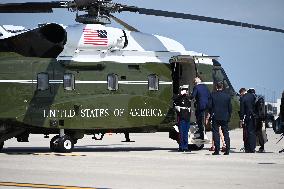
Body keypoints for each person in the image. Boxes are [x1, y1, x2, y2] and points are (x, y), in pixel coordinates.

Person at [209, 81, 232, 155]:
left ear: (216, 87)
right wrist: (228, 117)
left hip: (215, 116)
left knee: (216, 133)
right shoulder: (227, 96)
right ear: (222, 87)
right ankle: (227, 150)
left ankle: (217, 150)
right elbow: (230, 108)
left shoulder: (213, 95)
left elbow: (209, 106)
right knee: (226, 133)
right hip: (225, 117)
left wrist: (211, 113)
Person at [174, 85, 191, 152]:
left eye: (186, 90)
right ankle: (181, 147)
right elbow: (174, 99)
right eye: (184, 90)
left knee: (186, 133)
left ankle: (185, 147)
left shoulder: (188, 97)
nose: (186, 91)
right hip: (181, 117)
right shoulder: (179, 98)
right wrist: (180, 95)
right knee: (181, 133)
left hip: (187, 117)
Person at [239, 87, 257, 153]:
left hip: (247, 117)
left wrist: (241, 120)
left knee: (247, 132)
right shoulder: (253, 96)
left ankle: (248, 148)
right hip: (254, 117)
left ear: (242, 92)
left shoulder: (243, 98)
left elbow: (242, 110)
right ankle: (253, 148)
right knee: (252, 132)